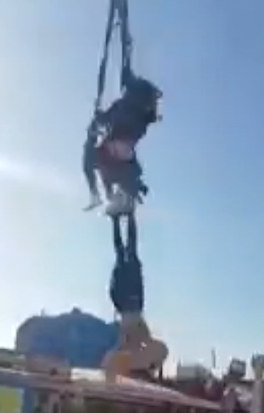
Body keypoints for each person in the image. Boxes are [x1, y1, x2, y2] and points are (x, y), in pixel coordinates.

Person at [83, 72, 162, 213]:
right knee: (96, 159)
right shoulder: (130, 108)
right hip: (119, 149)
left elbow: (106, 120)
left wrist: (98, 119)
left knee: (91, 157)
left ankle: (99, 195)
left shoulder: (129, 108)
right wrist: (98, 118)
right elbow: (105, 119)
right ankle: (103, 195)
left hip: (117, 149)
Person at [103, 213, 168, 377]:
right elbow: (159, 348)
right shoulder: (135, 340)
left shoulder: (126, 342)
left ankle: (119, 219)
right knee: (126, 250)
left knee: (124, 250)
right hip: (129, 301)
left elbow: (157, 348)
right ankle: (121, 219)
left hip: (128, 302)